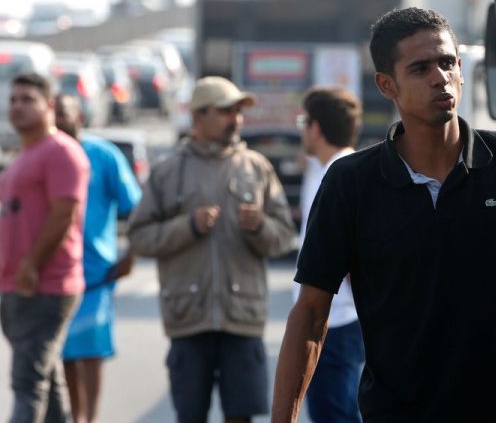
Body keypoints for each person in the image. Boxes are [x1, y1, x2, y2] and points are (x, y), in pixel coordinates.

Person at [272, 7, 496, 422]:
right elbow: (311, 313)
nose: (440, 77)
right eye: (420, 68)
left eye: (446, 62)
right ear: (388, 85)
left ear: (460, 67)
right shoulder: (350, 183)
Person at [127, 75, 297, 423]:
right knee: (191, 415)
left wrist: (259, 226)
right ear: (198, 116)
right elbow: (139, 236)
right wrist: (187, 226)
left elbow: (284, 238)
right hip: (189, 319)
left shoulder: (257, 167)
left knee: (241, 415)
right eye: (225, 111)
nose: (235, 119)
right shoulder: (167, 171)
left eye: (238, 111)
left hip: (243, 319)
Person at [0, 72, 90, 422]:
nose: (18, 106)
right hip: (18, 286)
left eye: (28, 100)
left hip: (44, 285)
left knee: (27, 384)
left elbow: (63, 213)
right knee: (45, 380)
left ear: (49, 106)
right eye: (13, 99)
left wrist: (31, 263)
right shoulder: (23, 156)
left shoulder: (62, 152)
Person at [54, 93, 142, 423]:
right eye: (55, 114)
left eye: (66, 113)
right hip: (57, 275)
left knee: (90, 352)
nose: (60, 121)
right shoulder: (44, 156)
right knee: (63, 353)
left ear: (80, 117)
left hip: (95, 275)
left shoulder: (103, 156)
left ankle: (89, 417)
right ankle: (75, 416)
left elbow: (136, 208)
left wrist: (130, 256)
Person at [293, 87, 365, 423]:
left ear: (316, 128)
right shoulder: (326, 168)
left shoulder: (340, 175)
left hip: (336, 323)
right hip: (331, 320)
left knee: (335, 415)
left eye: (303, 122)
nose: (301, 130)